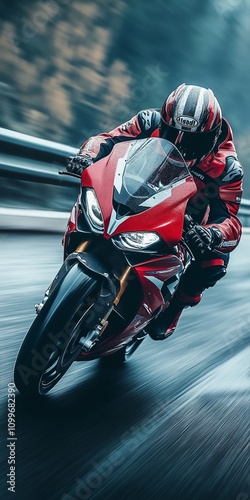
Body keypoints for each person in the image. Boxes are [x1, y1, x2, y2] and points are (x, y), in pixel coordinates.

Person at [66, 83, 243, 340]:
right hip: (138, 189)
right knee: (90, 208)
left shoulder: (227, 168)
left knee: (214, 263)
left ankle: (174, 308)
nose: (182, 146)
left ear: (213, 136)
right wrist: (87, 155)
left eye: (194, 140)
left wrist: (212, 234)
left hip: (189, 221)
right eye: (175, 134)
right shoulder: (148, 121)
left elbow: (230, 221)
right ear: (166, 121)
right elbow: (107, 140)